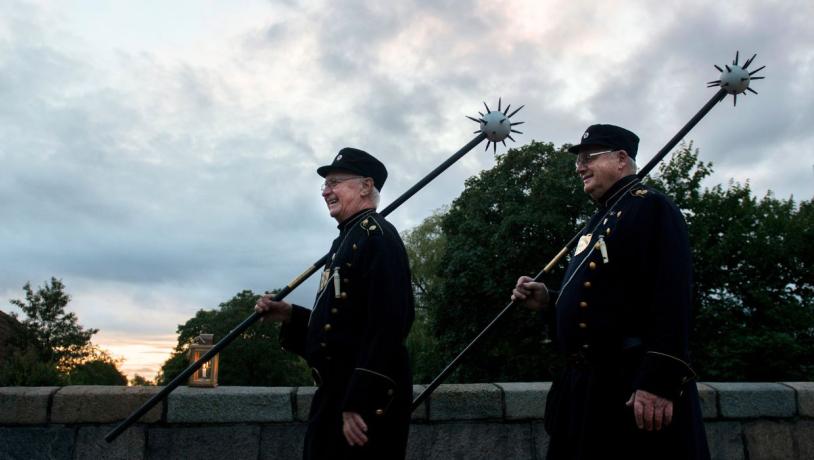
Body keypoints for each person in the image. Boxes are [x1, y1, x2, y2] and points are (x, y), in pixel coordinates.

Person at [511, 124, 710, 459]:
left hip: (627, 383)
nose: (579, 167)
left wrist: (656, 383)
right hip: (588, 387)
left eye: (589, 157)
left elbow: (673, 298)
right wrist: (549, 299)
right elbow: (602, 301)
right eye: (578, 160)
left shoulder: (651, 208)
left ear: (621, 160)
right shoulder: (597, 221)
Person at [255, 147, 415, 460]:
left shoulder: (378, 237)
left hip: (363, 404)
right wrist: (290, 315)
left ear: (366, 186)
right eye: (324, 186)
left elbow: (390, 322)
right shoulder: (346, 239)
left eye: (335, 183)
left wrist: (358, 402)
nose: (326, 191)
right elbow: (340, 327)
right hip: (336, 396)